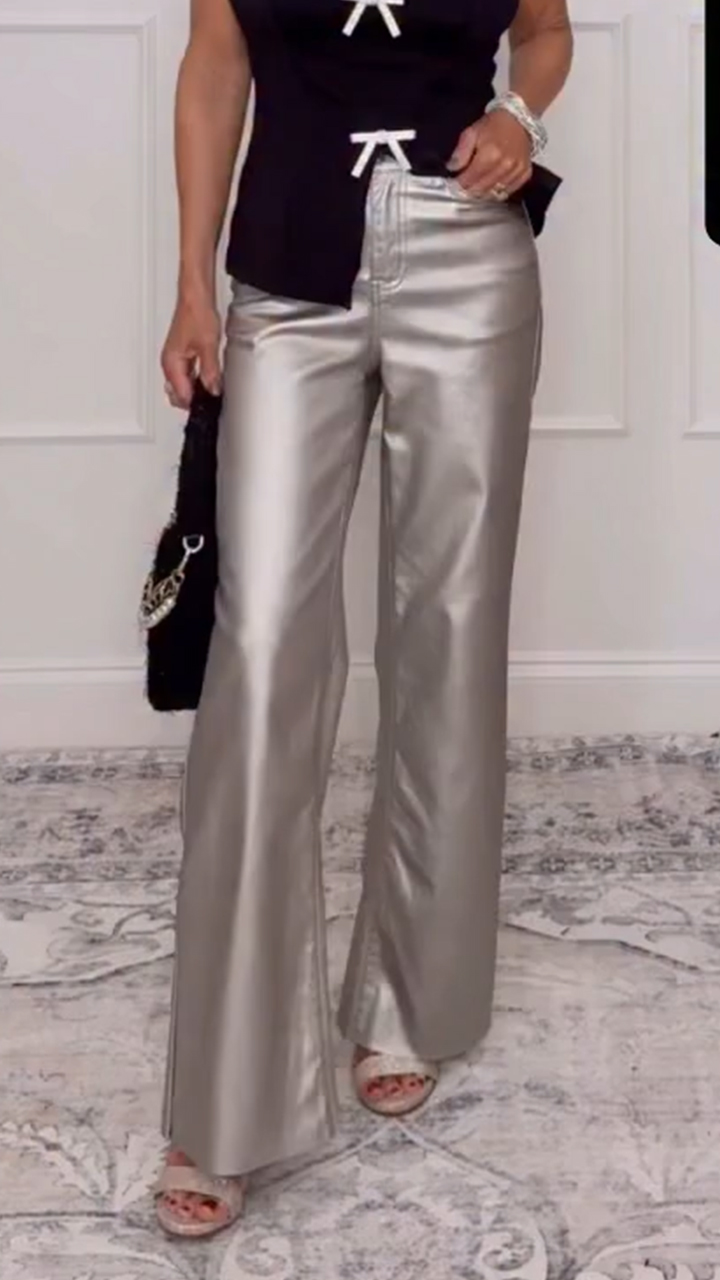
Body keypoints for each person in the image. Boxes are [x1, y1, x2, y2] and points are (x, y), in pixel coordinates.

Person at [155, 0, 573, 1239]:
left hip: (469, 262)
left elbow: (545, 30)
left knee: (448, 632)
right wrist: (191, 282)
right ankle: (225, 1096)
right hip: (287, 276)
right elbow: (215, 66)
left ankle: (407, 997)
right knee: (263, 656)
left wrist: (521, 112)